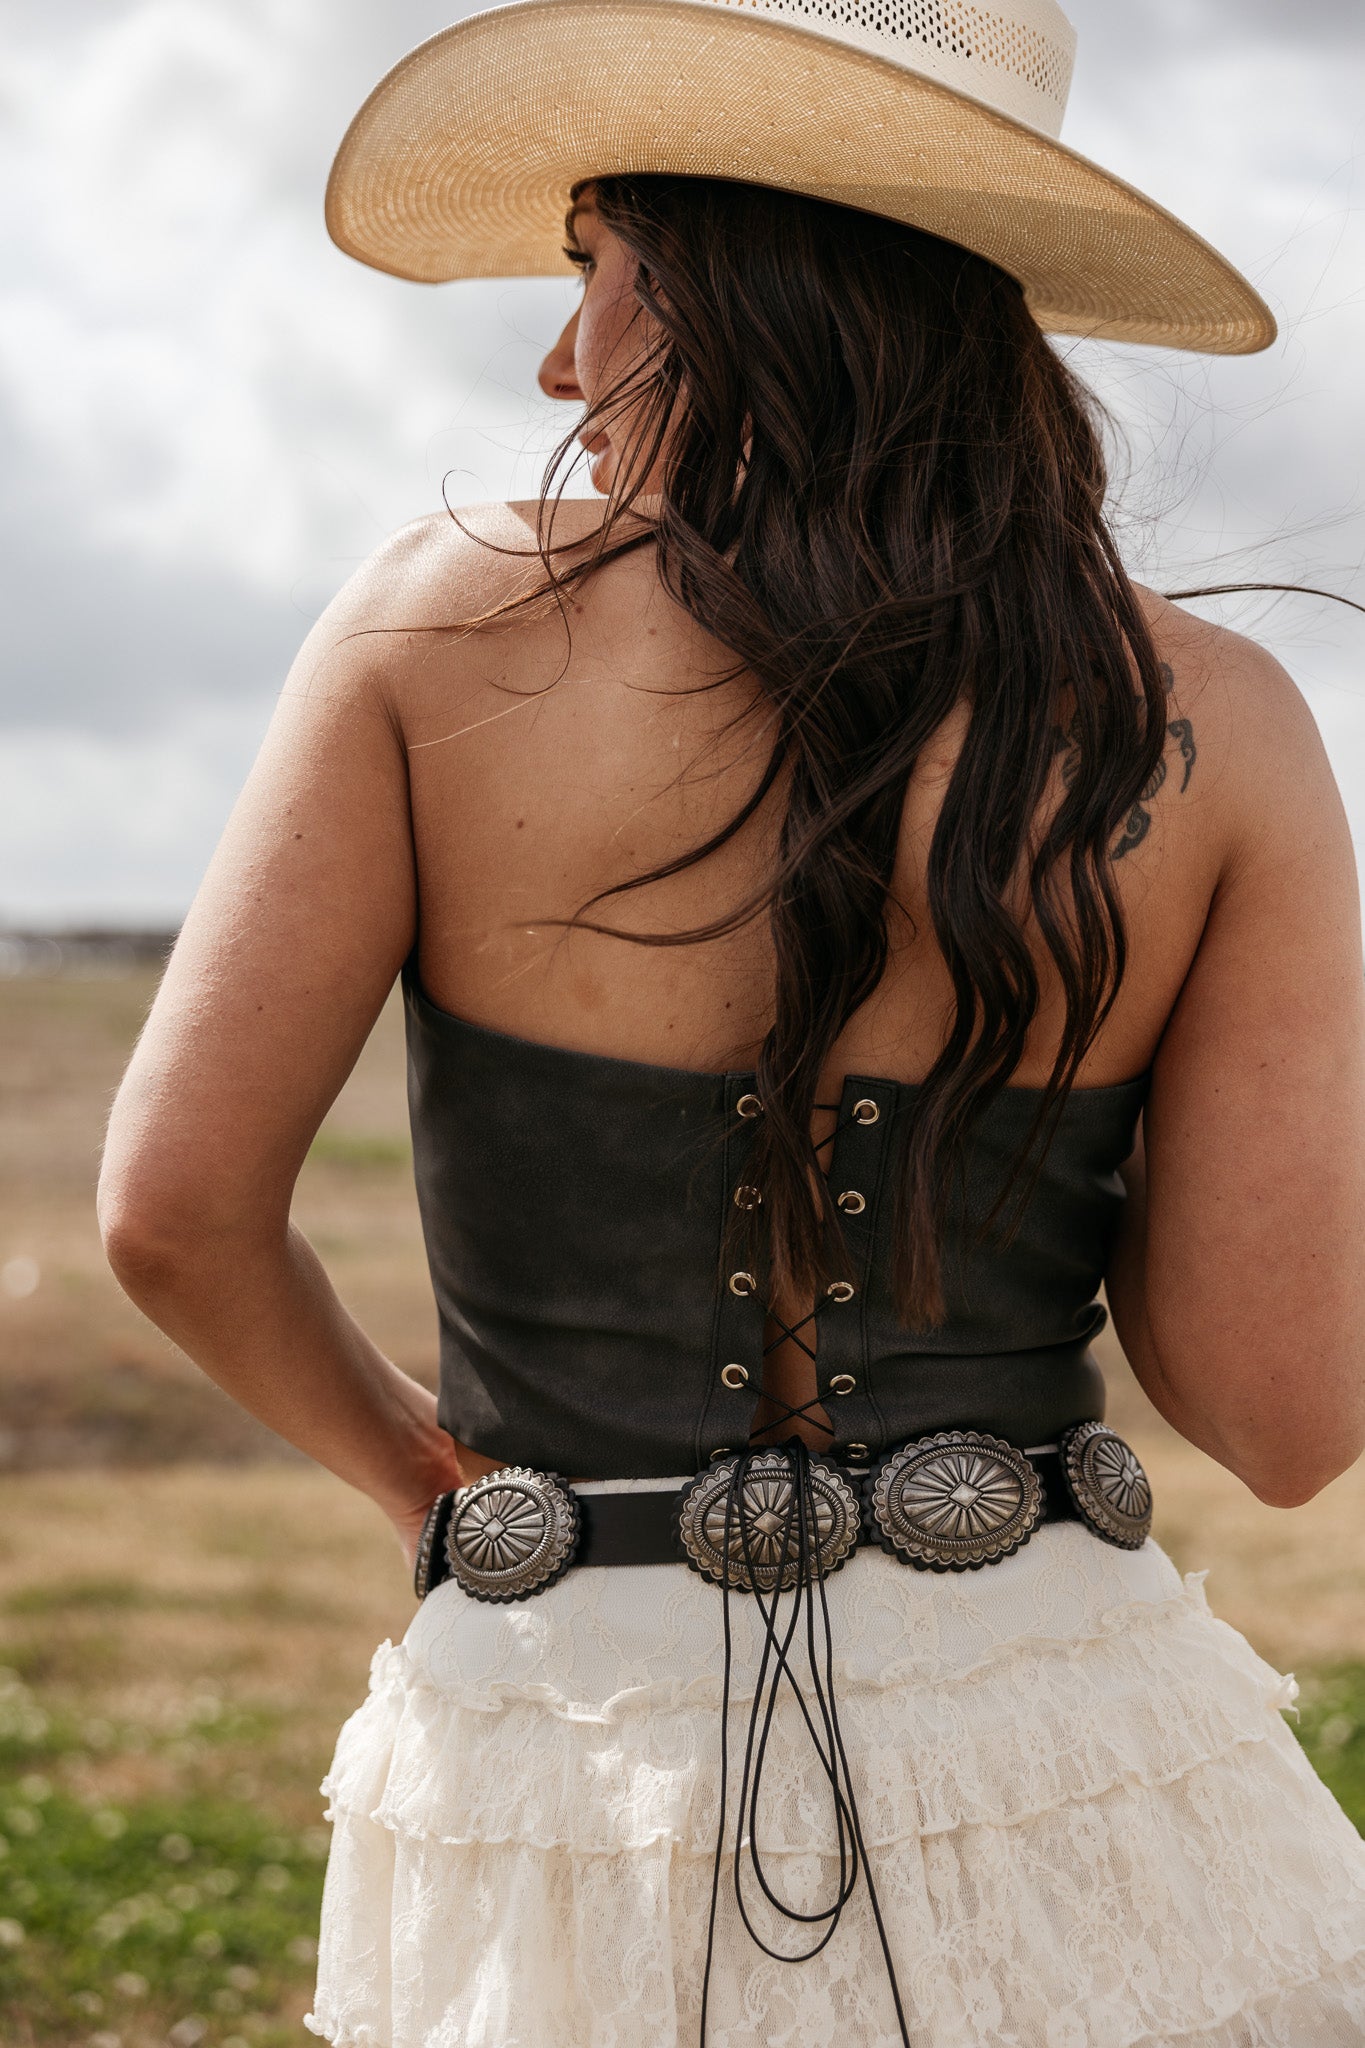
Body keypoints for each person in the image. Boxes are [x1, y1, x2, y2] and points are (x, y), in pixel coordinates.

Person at [98, 0, 1365, 2041]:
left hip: (569, 1737)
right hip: (1073, 1726)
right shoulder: (1206, 722)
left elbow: (170, 1211)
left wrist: (433, 1487)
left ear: (719, 277)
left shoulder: (436, 630)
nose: (557, 356)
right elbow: (1284, 1417)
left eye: (594, 268)